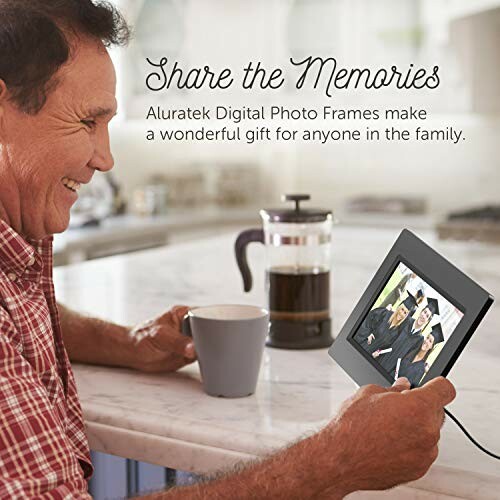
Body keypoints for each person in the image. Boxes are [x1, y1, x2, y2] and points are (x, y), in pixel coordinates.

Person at [0, 1, 456, 498]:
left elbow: (18, 310)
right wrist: (336, 459)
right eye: (87, 121)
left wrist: (126, 343)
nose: (106, 159)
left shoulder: (19, 231)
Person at [375, 298, 440, 376]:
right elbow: (390, 333)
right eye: (424, 312)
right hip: (382, 355)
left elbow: (411, 357)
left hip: (393, 368)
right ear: (421, 312)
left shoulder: (420, 339)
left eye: (427, 316)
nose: (424, 316)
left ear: (427, 321)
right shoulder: (406, 320)